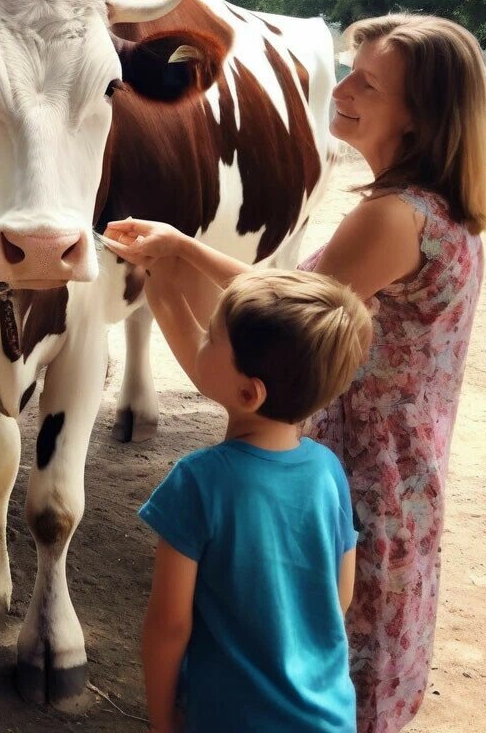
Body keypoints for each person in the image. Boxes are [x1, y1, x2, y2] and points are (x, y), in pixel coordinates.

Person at [105, 13, 486, 733]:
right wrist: (179, 255)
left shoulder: (393, 218)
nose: (340, 88)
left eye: (367, 83)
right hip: (397, 475)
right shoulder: (439, 211)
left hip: (367, 472)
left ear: (418, 116)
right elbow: (280, 296)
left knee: (320, 662)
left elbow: (278, 308)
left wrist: (176, 258)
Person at [139, 269, 372, 733]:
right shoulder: (328, 471)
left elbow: (169, 625)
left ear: (249, 393)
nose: (201, 341)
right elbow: (340, 593)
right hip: (328, 717)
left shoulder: (198, 482)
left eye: (211, 339)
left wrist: (163, 721)